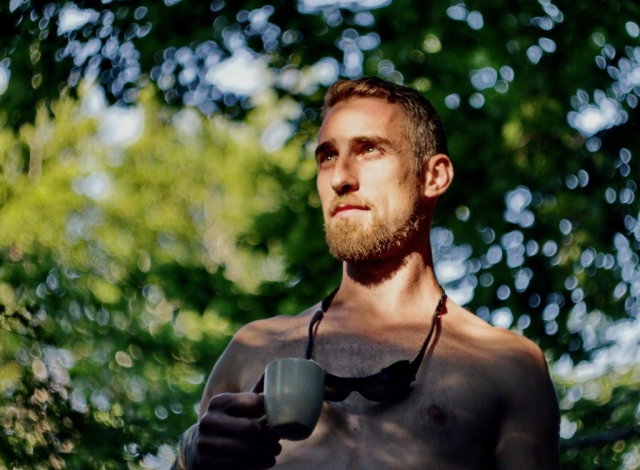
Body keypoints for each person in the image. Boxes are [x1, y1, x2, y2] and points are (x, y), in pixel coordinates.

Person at [171, 76, 561, 469]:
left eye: (369, 149)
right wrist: (193, 453)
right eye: (326, 157)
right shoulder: (252, 350)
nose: (340, 178)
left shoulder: (506, 365)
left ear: (433, 176)